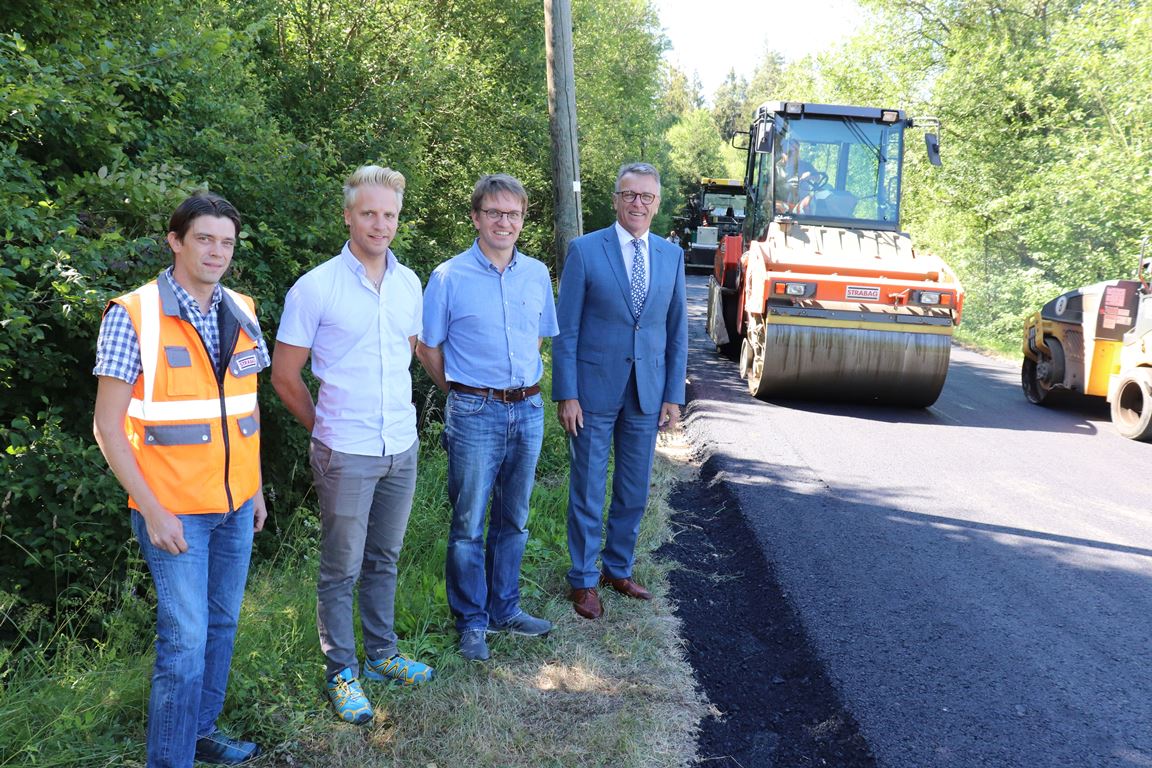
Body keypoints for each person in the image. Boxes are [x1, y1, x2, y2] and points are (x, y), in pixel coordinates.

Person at [92, 192, 268, 766]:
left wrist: (257, 485)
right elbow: (107, 427)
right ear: (176, 241)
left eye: (227, 242)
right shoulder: (133, 314)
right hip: (172, 512)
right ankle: (170, 760)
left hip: (236, 503)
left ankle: (201, 732)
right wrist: (151, 507)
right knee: (185, 643)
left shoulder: (241, 307)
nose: (217, 252)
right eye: (204, 239)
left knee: (221, 625)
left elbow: (247, 407)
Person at [271, 165, 433, 726]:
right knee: (341, 566)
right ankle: (343, 672)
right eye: (369, 213)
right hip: (346, 449)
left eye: (389, 214)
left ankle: (384, 655)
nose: (380, 224)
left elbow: (416, 350)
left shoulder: (410, 283)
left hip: (401, 445)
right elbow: (284, 375)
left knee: (385, 557)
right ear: (348, 215)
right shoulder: (316, 286)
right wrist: (324, 429)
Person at [416, 174, 558, 661]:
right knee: (470, 522)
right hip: (473, 410)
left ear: (523, 219)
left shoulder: (537, 274)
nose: (504, 221)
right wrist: (461, 391)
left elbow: (537, 338)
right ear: (476, 217)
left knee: (514, 519)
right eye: (494, 212)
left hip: (529, 408)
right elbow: (426, 345)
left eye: (513, 214)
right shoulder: (448, 276)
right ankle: (472, 621)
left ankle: (505, 611)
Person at [552, 162, 688, 620]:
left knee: (632, 489)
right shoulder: (586, 251)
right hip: (591, 394)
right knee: (588, 489)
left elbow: (676, 332)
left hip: (646, 393)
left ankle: (618, 569)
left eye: (646, 197)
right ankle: (584, 580)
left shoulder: (671, 256)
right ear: (615, 199)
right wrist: (566, 393)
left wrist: (674, 395)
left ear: (657, 203)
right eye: (629, 195)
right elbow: (565, 330)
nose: (637, 204)